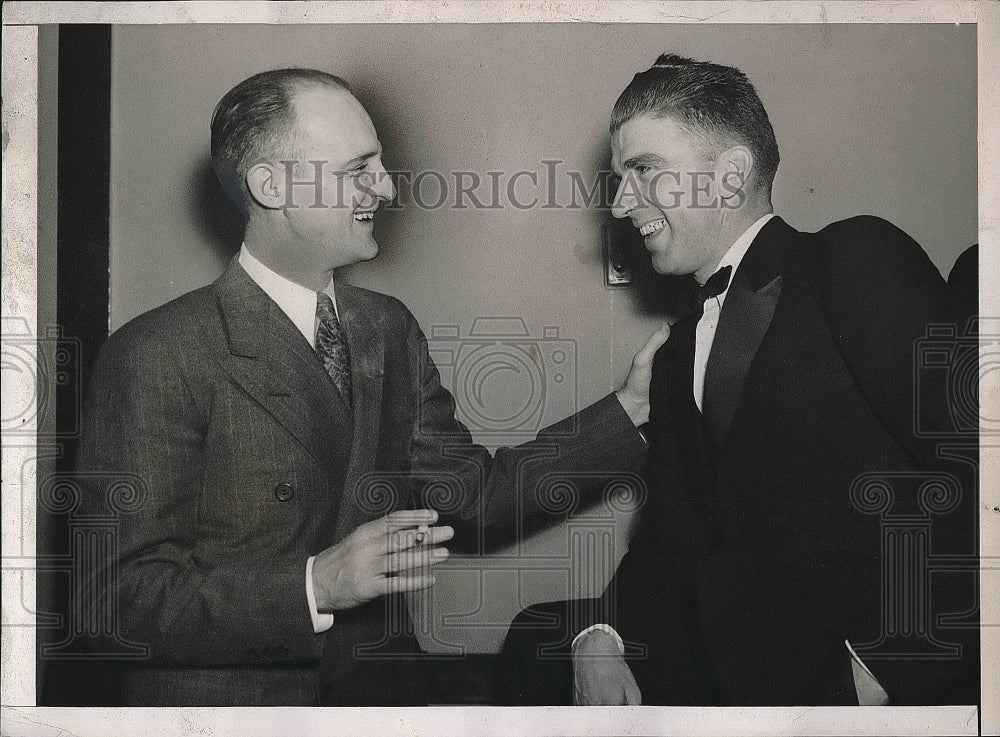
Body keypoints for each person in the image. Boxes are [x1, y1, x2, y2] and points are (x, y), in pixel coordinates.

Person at [75, 68, 668, 706]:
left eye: (380, 165)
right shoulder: (156, 351)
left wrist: (630, 409)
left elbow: (474, 499)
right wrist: (314, 587)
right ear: (272, 186)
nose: (384, 188)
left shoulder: (387, 329)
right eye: (359, 168)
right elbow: (110, 599)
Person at [558, 53, 978, 706]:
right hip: (741, 684)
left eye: (643, 172)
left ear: (730, 175)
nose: (619, 203)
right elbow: (670, 532)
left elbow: (981, 473)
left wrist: (895, 668)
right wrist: (600, 631)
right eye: (618, 179)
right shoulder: (672, 359)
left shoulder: (856, 259)